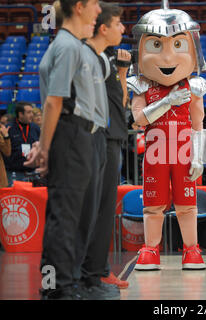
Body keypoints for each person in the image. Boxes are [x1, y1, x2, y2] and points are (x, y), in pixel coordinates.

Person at [24, 0, 102, 300]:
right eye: (95, 4)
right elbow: (54, 101)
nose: (98, 11)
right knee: (65, 217)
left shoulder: (64, 43)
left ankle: (58, 285)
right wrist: (43, 147)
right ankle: (59, 289)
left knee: (66, 215)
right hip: (71, 134)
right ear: (79, 7)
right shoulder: (68, 47)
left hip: (71, 134)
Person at [128, 0, 206, 270]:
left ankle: (191, 250)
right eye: (156, 46)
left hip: (184, 150)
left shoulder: (195, 86)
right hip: (155, 150)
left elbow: (199, 124)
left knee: (187, 205)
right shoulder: (141, 85)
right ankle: (151, 249)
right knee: (153, 205)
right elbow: (138, 119)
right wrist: (167, 102)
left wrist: (199, 157)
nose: (167, 58)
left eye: (177, 45)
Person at [79, 2, 130, 291]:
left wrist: (123, 72)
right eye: (119, 23)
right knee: (97, 207)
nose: (123, 29)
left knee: (105, 206)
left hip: (113, 138)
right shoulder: (91, 57)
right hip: (101, 138)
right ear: (103, 27)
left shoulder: (108, 59)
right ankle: (93, 270)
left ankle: (96, 268)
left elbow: (119, 101)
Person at [4, 102, 40, 185]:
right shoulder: (9, 129)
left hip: (33, 173)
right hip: (14, 173)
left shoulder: (35, 128)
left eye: (32, 112)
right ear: (20, 114)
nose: (32, 115)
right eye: (29, 112)